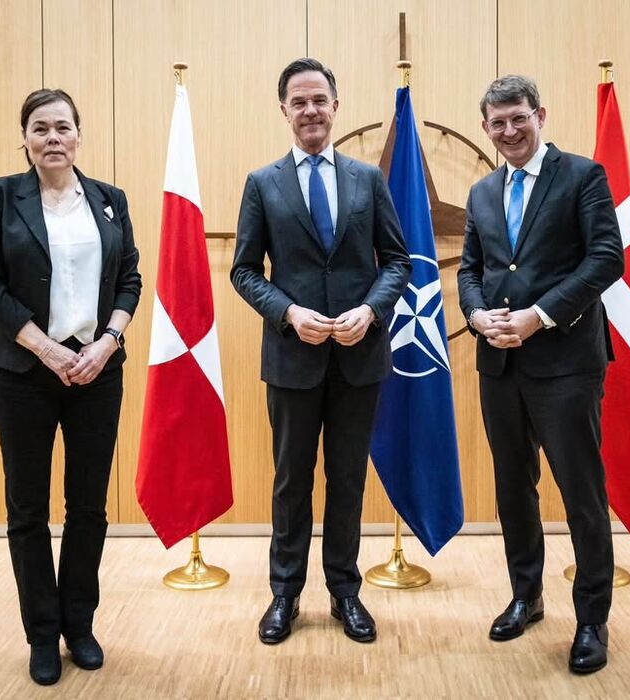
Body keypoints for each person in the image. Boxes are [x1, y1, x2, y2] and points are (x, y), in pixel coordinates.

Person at [231, 58, 410, 645]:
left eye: (319, 100)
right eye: (299, 102)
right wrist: (288, 312)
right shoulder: (262, 183)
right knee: (291, 481)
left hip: (359, 357)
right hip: (293, 358)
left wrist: (371, 311)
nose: (310, 110)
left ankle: (344, 591)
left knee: (348, 479)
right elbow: (243, 271)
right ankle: (284, 593)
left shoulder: (368, 179)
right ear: (283, 110)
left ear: (336, 106)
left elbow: (398, 261)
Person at [0, 88, 141, 685]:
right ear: (25, 139)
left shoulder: (110, 200)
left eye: (63, 127)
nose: (53, 138)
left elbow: (130, 279)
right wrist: (44, 347)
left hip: (97, 371)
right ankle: (42, 635)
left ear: (79, 135)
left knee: (88, 507)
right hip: (24, 375)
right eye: (40, 128)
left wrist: (108, 342)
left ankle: (79, 625)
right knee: (27, 509)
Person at [458, 75, 624, 674]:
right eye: (497, 123)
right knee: (513, 488)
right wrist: (476, 314)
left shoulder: (582, 176)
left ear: (540, 115)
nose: (509, 131)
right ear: (485, 128)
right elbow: (471, 269)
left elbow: (606, 258)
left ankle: (592, 620)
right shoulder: (481, 191)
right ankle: (526, 596)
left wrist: (539, 316)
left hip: (567, 363)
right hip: (499, 362)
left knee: (582, 494)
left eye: (518, 118)